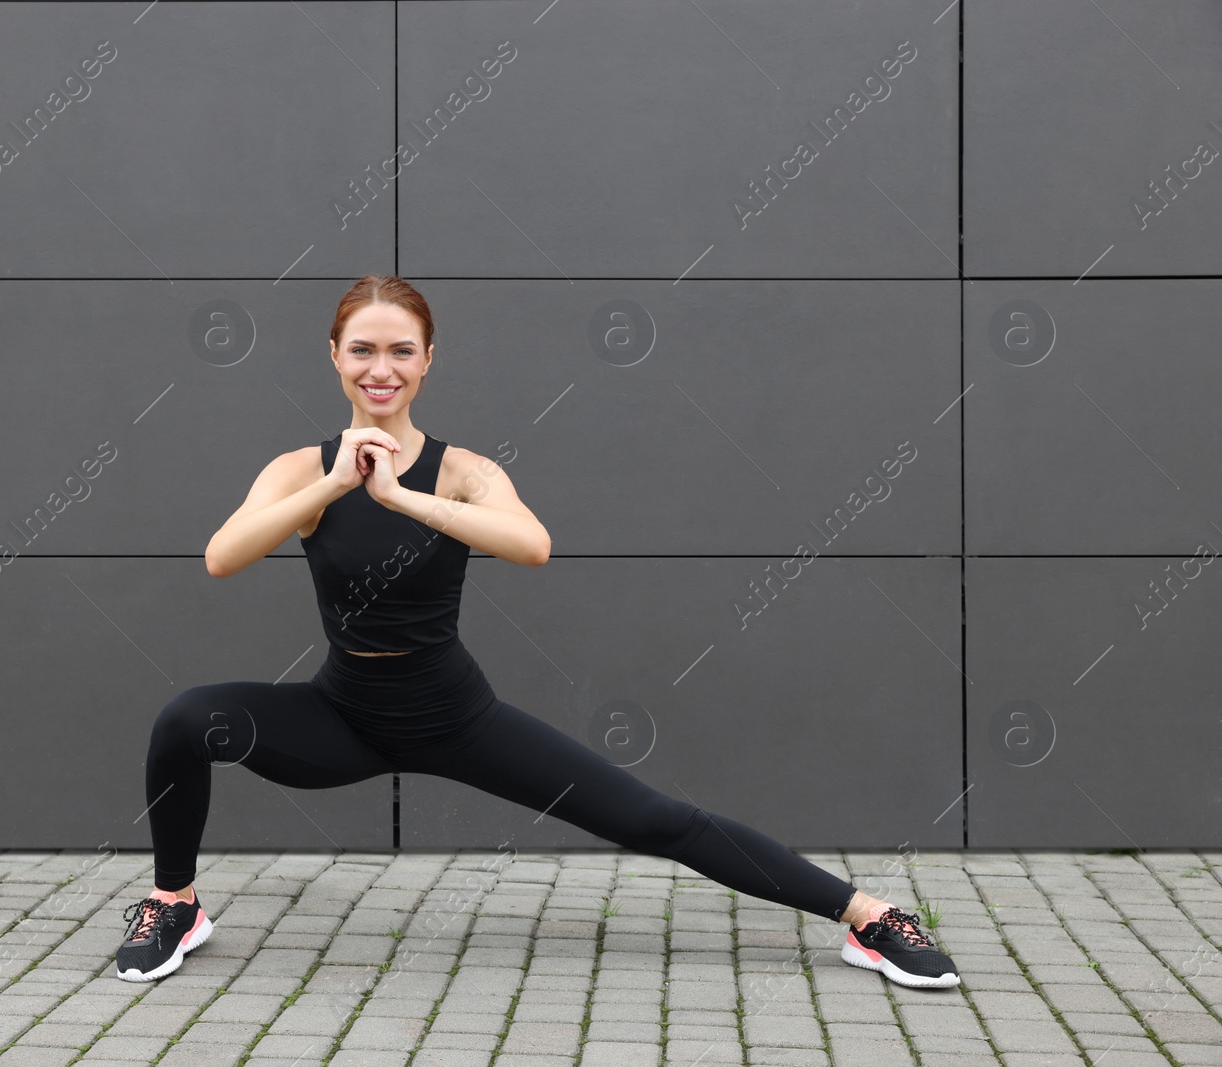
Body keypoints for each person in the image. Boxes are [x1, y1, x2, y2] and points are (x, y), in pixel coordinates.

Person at [115, 275, 959, 991]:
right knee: (187, 719)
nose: (382, 368)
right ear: (334, 357)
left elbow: (532, 545)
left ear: (428, 361)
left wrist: (401, 496)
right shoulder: (302, 469)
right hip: (342, 716)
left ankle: (868, 916)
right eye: (363, 349)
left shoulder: (465, 470)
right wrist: (335, 482)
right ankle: (177, 903)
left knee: (657, 819)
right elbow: (223, 556)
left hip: (454, 715)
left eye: (401, 350)